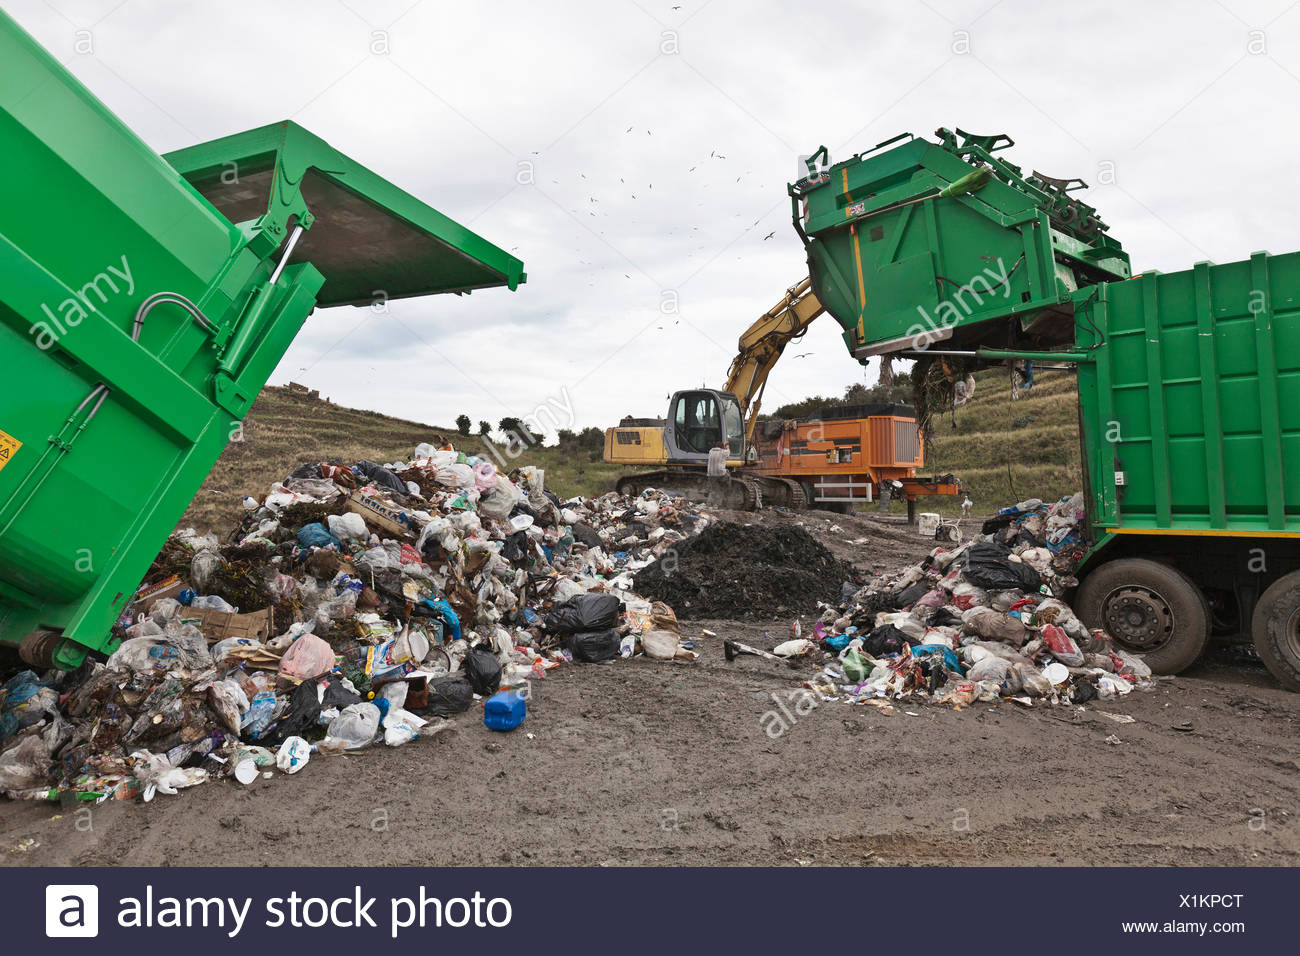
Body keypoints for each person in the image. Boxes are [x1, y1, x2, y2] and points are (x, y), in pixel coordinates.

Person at [707, 441, 728, 507]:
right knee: (720, 489)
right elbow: (728, 452)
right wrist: (726, 446)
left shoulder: (711, 451)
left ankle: (709, 504)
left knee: (714, 489)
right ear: (722, 447)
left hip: (710, 474)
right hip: (720, 474)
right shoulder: (723, 452)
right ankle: (728, 487)